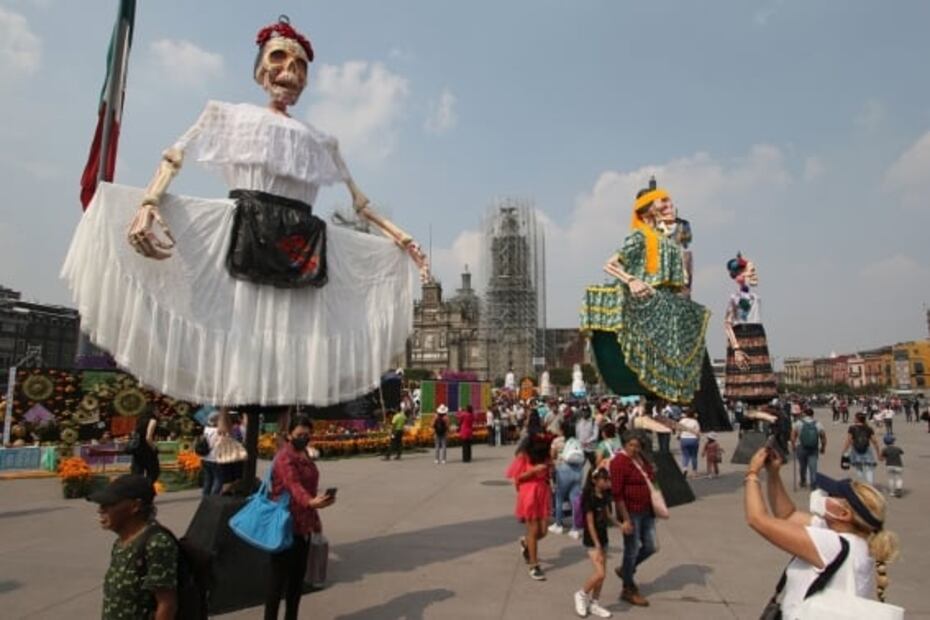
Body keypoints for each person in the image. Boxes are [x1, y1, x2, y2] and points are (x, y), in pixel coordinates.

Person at [63, 16, 426, 412]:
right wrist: (149, 202)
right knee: (234, 323)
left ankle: (270, 414)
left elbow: (360, 201)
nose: (289, 73)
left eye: (300, 66)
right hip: (242, 225)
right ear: (260, 69)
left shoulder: (324, 141)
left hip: (301, 240)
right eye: (280, 59)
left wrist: (400, 238)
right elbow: (174, 154)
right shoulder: (227, 114)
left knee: (287, 332)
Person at [581, 185, 710, 404]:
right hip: (645, 298)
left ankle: (659, 397)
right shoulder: (640, 237)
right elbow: (610, 264)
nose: (667, 205)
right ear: (648, 208)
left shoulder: (664, 240)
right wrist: (631, 280)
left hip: (664, 301)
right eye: (662, 201)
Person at [743, 448, 899, 618]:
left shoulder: (832, 545)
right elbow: (787, 516)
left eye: (831, 495)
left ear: (843, 514)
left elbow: (757, 519)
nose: (824, 496)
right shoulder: (856, 540)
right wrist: (774, 474)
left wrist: (752, 474)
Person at [266, 414, 335, 620]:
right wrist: (310, 501)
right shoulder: (284, 457)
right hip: (284, 524)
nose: (304, 437)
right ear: (289, 435)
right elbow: (292, 484)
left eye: (307, 434)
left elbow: (309, 487)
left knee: (296, 583)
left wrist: (317, 511)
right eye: (299, 434)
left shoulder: (304, 454)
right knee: (277, 583)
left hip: (303, 525)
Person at [88, 474, 178, 619]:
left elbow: (167, 604)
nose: (101, 510)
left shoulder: (156, 543)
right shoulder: (121, 542)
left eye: (109, 504)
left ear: (135, 506)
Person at [610, 432, 658, 607]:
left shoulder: (641, 459)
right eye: (631, 445)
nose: (635, 449)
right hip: (631, 511)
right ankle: (628, 588)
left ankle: (625, 569)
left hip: (647, 510)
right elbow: (617, 494)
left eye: (637, 445)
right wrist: (626, 519)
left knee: (652, 546)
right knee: (631, 549)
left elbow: (651, 478)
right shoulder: (618, 463)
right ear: (624, 444)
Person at [506, 415, 552, 581]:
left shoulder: (547, 457)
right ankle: (534, 565)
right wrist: (533, 471)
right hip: (529, 493)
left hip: (543, 492)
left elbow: (550, 473)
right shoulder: (524, 456)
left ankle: (526, 543)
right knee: (533, 530)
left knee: (543, 531)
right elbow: (517, 478)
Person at [574, 467, 618, 618]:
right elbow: (590, 524)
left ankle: (595, 603)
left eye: (608, 479)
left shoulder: (604, 495)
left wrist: (621, 525)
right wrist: (598, 546)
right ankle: (581, 594)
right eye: (604, 479)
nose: (607, 482)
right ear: (594, 480)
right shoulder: (589, 498)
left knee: (603, 575)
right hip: (592, 541)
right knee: (600, 573)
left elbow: (608, 515)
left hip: (603, 538)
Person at [549, 420, 585, 539]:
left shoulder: (557, 441)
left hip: (563, 470)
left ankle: (558, 524)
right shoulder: (577, 441)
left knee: (559, 498)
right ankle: (575, 528)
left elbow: (552, 455)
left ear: (562, 430)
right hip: (578, 471)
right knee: (575, 500)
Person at [791, 407, 826, 489]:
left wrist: (793, 445)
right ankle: (813, 484)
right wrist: (823, 447)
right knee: (813, 467)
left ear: (804, 414)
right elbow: (823, 437)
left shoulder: (798, 423)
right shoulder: (818, 424)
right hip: (813, 448)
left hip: (801, 448)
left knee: (802, 466)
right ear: (812, 415)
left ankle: (803, 481)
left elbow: (793, 436)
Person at [844, 413, 883, 485]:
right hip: (867, 450)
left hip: (856, 450)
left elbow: (848, 441)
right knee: (869, 469)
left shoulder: (852, 428)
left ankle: (861, 486)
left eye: (854, 418)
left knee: (859, 469)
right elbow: (875, 442)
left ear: (857, 419)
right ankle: (870, 486)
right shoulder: (868, 428)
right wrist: (878, 453)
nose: (853, 419)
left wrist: (844, 451)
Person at [130, 405, 160, 484]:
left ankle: (138, 490)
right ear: (153, 411)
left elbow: (134, 433)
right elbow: (148, 437)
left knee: (137, 472)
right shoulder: (153, 420)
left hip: (137, 449)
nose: (159, 412)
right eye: (157, 410)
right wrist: (154, 447)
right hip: (147, 450)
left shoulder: (139, 420)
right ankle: (146, 487)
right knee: (153, 472)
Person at [201, 411, 222, 496]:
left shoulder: (206, 429)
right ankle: (213, 497)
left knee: (208, 479)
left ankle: (205, 497)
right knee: (218, 479)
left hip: (205, 458)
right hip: (214, 458)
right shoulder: (217, 431)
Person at [677, 409, 701, 477]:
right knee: (694, 456)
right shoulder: (695, 422)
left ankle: (685, 469)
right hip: (693, 439)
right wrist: (698, 439)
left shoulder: (682, 421)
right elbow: (698, 432)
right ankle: (694, 472)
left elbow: (679, 430)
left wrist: (679, 436)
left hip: (684, 439)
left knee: (685, 455)